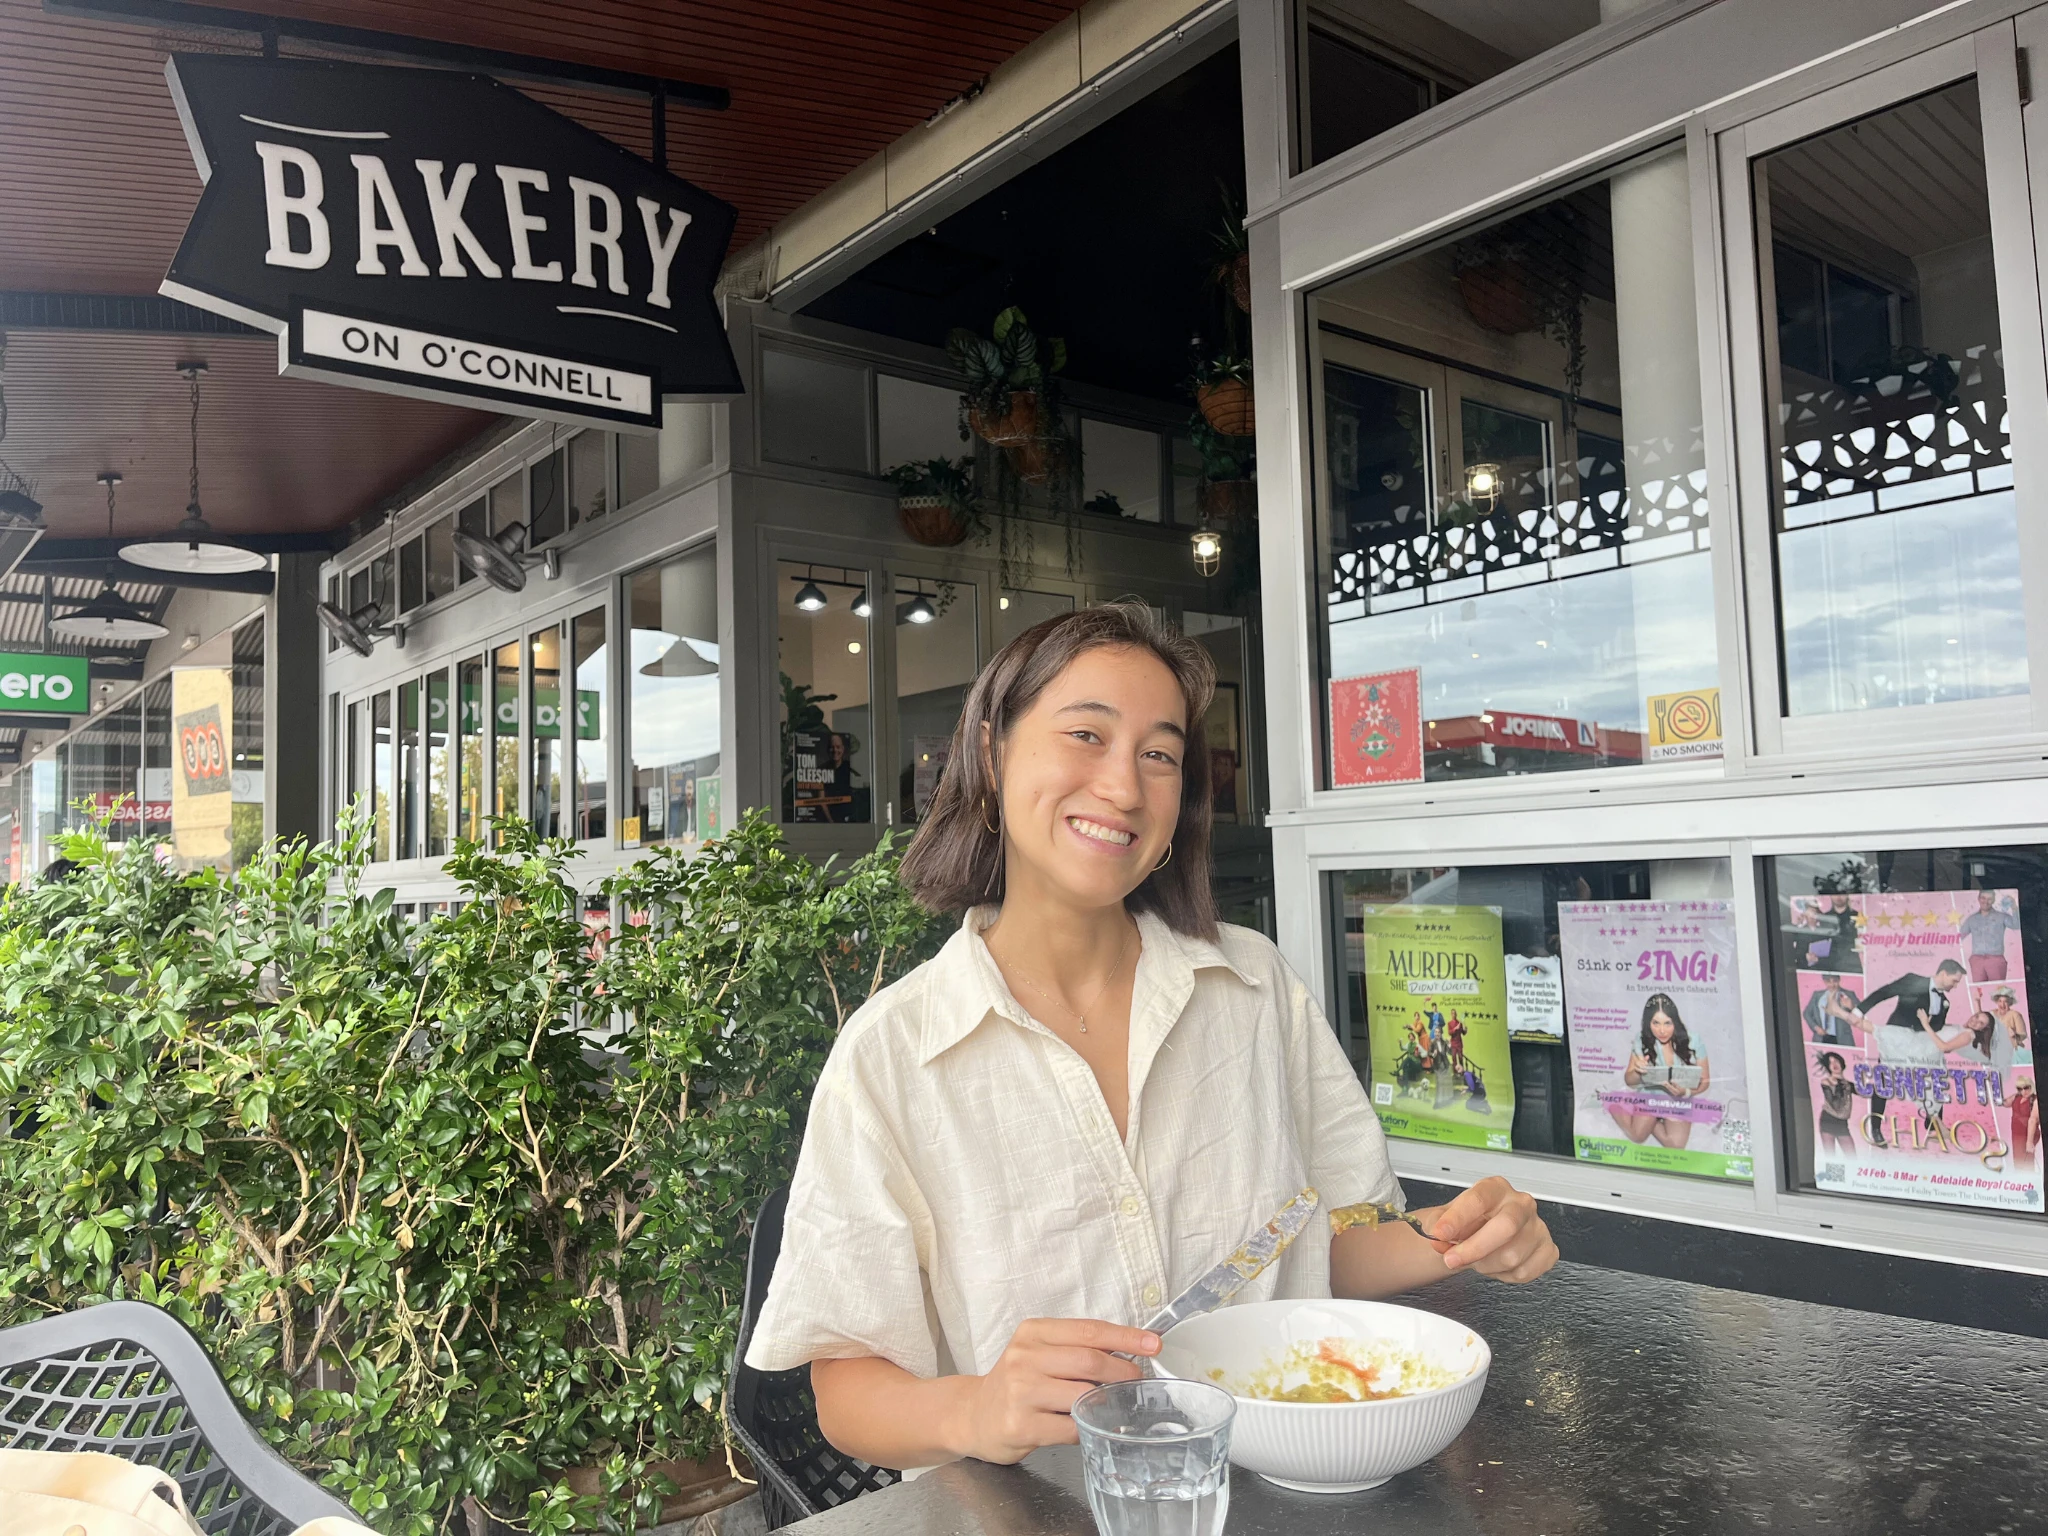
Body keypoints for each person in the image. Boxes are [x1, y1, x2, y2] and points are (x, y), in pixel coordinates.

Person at [744, 603, 1557, 1471]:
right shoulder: (893, 1054)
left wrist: (1453, 1237)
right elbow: (846, 1393)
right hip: (1038, 1511)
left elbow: (1316, 1254)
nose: (1124, 788)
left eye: (1159, 755)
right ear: (992, 752)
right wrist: (977, 1406)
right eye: (1085, 735)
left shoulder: (1251, 988)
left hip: (1271, 1488)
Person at [1846, 960, 1967, 1146]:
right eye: (1955, 980)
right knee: (1884, 1082)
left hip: (1918, 1045)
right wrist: (1858, 1011)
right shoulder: (1913, 980)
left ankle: (1933, 1126)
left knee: (1934, 1078)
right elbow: (1884, 992)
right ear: (1943, 973)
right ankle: (1876, 1129)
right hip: (1895, 1040)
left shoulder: (1945, 1002)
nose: (1955, 985)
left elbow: (1936, 1027)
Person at [1614, 992, 1709, 1150]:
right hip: (1649, 1097)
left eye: (1667, 1023)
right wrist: (1638, 1071)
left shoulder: (1693, 1040)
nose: (1662, 1030)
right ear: (1648, 1023)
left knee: (1676, 1145)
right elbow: (1629, 1081)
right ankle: (1616, 1105)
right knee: (1637, 1136)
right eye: (1656, 1023)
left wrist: (1686, 1092)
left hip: (1678, 1099)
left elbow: (1705, 1081)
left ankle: (1652, 1120)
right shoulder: (1642, 1039)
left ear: (1675, 1021)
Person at [1958, 891, 2021, 984]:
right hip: (1977, 960)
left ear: (1993, 900)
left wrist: (2014, 907)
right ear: (1978, 899)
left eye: (1989, 899)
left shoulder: (2001, 916)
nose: (1986, 901)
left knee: (1998, 991)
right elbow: (1959, 936)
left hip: (1995, 959)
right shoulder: (1971, 919)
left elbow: (2016, 925)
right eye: (1983, 898)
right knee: (1979, 992)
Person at [1814, 1051, 1857, 1163]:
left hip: (1842, 1123)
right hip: (1828, 1119)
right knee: (1830, 1157)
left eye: (1836, 1061)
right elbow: (1834, 1103)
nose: (1834, 1064)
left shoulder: (1848, 1084)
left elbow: (1867, 1092)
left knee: (1852, 1157)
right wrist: (1839, 1086)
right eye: (1830, 1062)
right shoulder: (1826, 1081)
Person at [1801, 973, 1862, 1048]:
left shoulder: (1849, 994)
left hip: (1843, 1039)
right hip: (1820, 1038)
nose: (1832, 984)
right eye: (1828, 981)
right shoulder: (1817, 995)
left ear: (1839, 980)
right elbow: (1806, 1013)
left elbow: (1861, 1015)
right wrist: (1816, 1027)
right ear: (1824, 981)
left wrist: (1851, 1006)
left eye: (1835, 981)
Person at [1988, 987, 2032, 1067]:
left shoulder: (2015, 1015)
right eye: (2000, 1001)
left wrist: (2014, 1034)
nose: (2002, 1004)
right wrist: (1977, 1002)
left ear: (2010, 1002)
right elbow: (1980, 1022)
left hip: (2012, 1052)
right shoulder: (1992, 1014)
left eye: (2005, 1002)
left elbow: (2023, 1034)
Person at [2011, 1077, 2040, 1172]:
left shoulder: (2035, 1100)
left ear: (2031, 1085)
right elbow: (2004, 1102)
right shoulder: (2017, 1097)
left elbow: (2033, 1120)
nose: (2023, 1091)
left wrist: (2029, 1142)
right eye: (2020, 1089)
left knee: (2026, 1162)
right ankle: (2022, 1182)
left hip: (2028, 1134)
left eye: (2026, 1087)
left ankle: (2029, 1182)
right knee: (2018, 1161)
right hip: (2017, 1135)